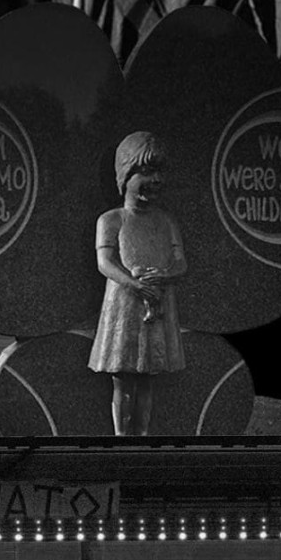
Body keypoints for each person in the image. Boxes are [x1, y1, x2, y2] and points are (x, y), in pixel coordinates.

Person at [88, 133, 187, 437]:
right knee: (122, 378)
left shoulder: (166, 221)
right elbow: (105, 262)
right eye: (146, 172)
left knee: (148, 377)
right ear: (125, 176)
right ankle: (121, 437)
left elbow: (181, 263)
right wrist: (133, 283)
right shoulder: (111, 220)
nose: (156, 179)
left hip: (157, 305)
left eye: (159, 172)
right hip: (124, 306)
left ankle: (142, 436)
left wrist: (165, 275)